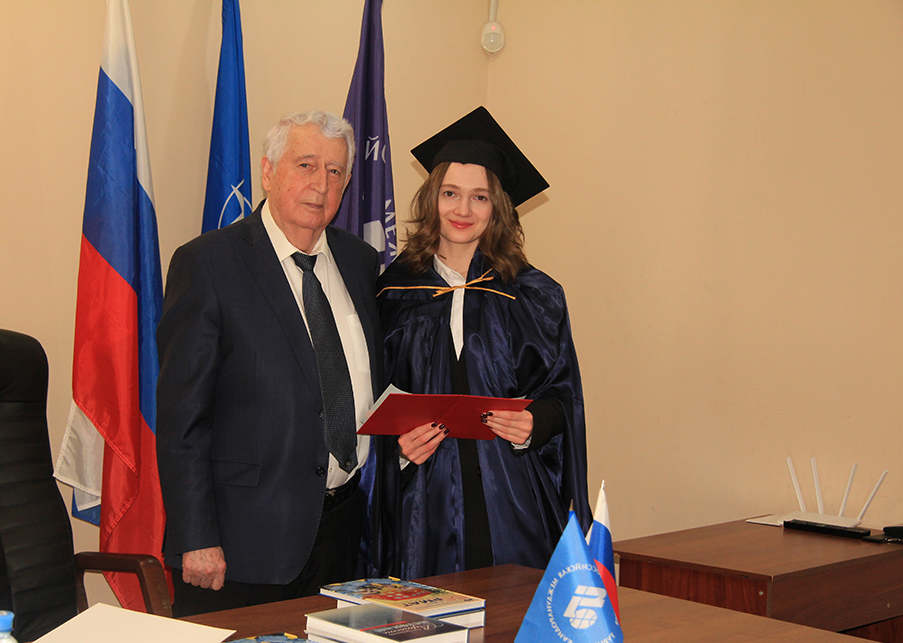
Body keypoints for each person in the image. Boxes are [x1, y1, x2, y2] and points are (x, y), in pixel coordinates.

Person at [156, 111, 383, 616]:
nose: (321, 184)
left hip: (342, 536)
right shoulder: (208, 264)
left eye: (335, 171)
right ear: (268, 171)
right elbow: (181, 421)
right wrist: (196, 536)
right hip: (241, 547)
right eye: (305, 165)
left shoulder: (360, 263)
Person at [373, 107, 591, 580]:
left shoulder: (534, 295)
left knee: (514, 611)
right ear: (432, 198)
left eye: (480, 197)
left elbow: (562, 395)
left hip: (512, 495)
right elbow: (370, 399)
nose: (463, 210)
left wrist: (535, 422)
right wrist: (398, 451)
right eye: (450, 193)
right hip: (422, 500)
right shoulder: (393, 292)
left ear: (499, 208)